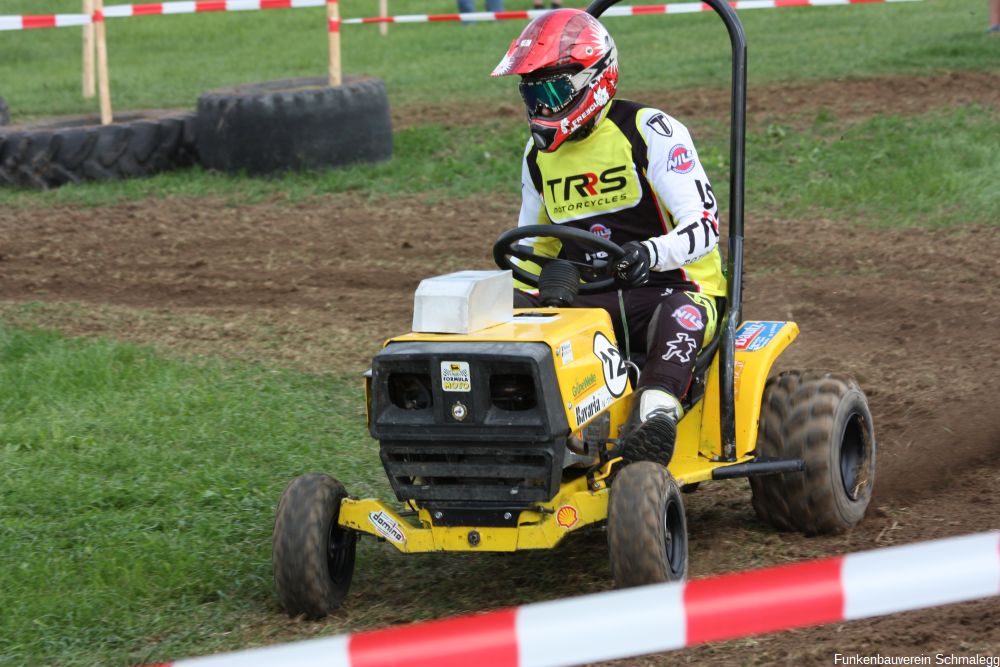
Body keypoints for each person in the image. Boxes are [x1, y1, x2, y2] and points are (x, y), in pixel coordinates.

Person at [492, 8, 727, 465]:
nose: (540, 108)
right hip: (588, 299)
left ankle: (654, 417)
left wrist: (651, 253)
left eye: (553, 91)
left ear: (592, 80)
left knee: (680, 314)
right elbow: (533, 247)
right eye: (531, 94)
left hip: (672, 292)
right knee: (506, 324)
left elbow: (705, 227)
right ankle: (514, 433)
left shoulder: (650, 131)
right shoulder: (537, 157)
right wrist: (510, 313)